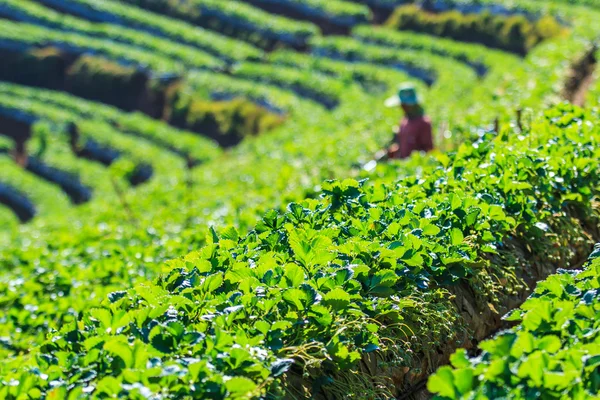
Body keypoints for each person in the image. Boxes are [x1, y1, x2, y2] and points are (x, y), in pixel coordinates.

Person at [384, 83, 433, 159]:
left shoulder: (423, 123)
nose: (401, 107)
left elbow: (428, 150)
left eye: (403, 105)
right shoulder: (405, 120)